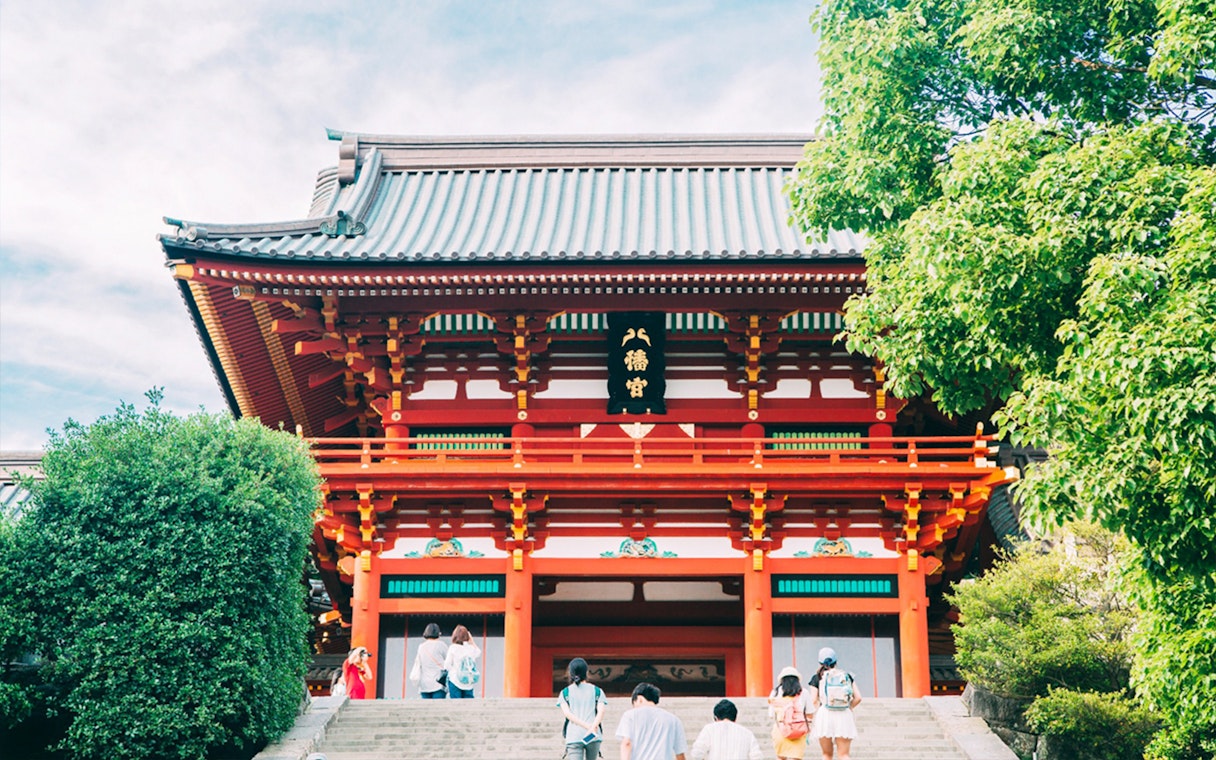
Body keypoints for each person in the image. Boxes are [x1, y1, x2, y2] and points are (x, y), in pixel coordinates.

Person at [808, 647, 862, 760]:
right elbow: (858, 698)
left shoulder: (817, 677)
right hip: (844, 714)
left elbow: (813, 700)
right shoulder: (846, 676)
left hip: (825, 715)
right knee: (844, 755)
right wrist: (849, 707)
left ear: (820, 662)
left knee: (826, 754)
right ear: (836, 662)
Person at [616, 682, 687, 760]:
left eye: (634, 704)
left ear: (639, 699)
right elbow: (680, 754)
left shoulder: (630, 715)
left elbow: (627, 743)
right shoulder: (674, 720)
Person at [557, 657, 608, 760]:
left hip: (574, 735)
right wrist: (592, 727)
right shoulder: (597, 691)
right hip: (593, 735)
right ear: (586, 672)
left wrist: (585, 726)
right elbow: (601, 711)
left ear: (570, 673)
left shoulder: (565, 693)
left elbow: (568, 714)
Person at [689, 699, 763, 760]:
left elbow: (696, 754)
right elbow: (757, 757)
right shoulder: (747, 734)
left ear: (716, 718)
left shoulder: (709, 729)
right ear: (735, 718)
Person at [767, 665, 812, 760]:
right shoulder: (804, 692)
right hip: (799, 731)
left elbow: (771, 715)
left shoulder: (775, 693)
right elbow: (809, 713)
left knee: (781, 758)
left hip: (780, 730)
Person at [442, 623, 482, 698]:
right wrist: (472, 641)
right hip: (468, 682)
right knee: (468, 706)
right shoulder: (471, 649)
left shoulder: (453, 648)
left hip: (455, 681)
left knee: (456, 705)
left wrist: (453, 671)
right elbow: (478, 652)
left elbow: (447, 665)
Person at [409, 622, 448, 699]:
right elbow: (449, 660)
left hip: (424, 685)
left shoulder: (421, 647)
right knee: (437, 709)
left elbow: (418, 663)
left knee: (425, 709)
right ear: (438, 633)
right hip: (438, 683)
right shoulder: (441, 645)